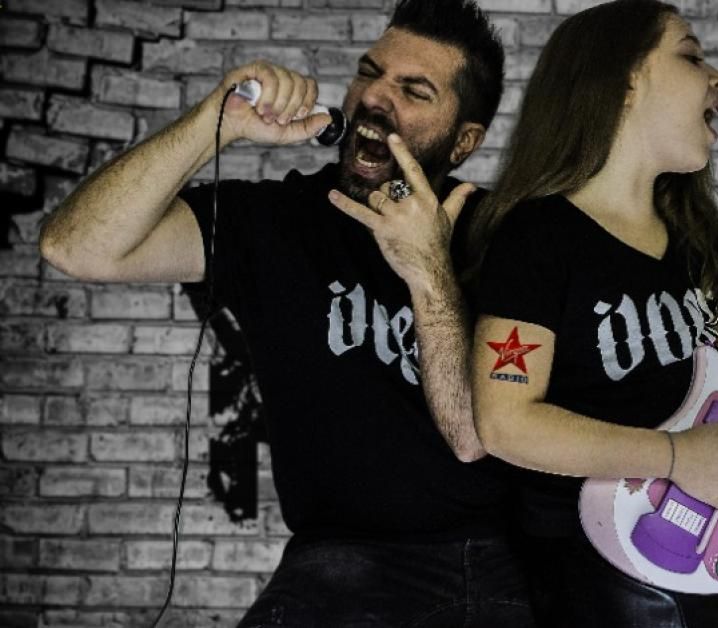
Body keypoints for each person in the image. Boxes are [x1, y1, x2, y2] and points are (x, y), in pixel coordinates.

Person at [39, 1, 536, 626]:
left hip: (487, 561)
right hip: (332, 560)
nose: (374, 98)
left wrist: (429, 271)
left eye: (414, 91)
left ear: (463, 141)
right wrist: (216, 122)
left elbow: (475, 438)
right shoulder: (274, 220)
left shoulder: (507, 238)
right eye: (369, 73)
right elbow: (74, 246)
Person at [466, 1, 718, 626]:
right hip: (605, 566)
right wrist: (675, 457)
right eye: (692, 56)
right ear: (625, 80)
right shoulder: (539, 236)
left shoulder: (687, 242)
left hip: (704, 539)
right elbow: (505, 422)